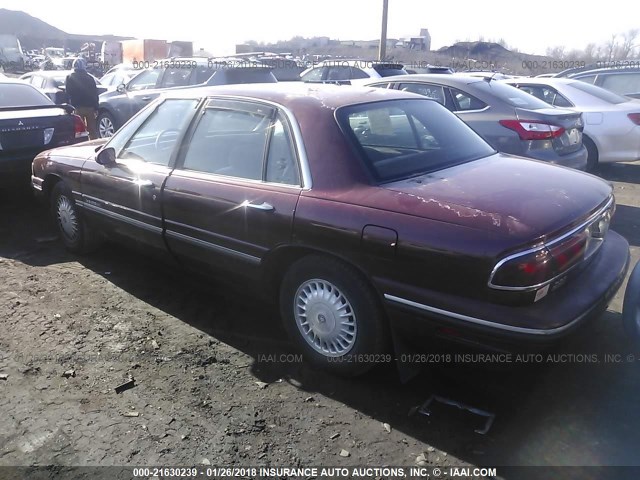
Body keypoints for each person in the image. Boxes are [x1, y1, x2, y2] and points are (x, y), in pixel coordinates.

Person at [65, 58, 99, 139]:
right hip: (90, 108)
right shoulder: (90, 78)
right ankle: (94, 145)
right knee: (92, 130)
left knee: (79, 131)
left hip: (77, 108)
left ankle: (82, 145)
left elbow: (68, 93)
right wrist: (96, 107)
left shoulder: (70, 77)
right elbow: (95, 93)